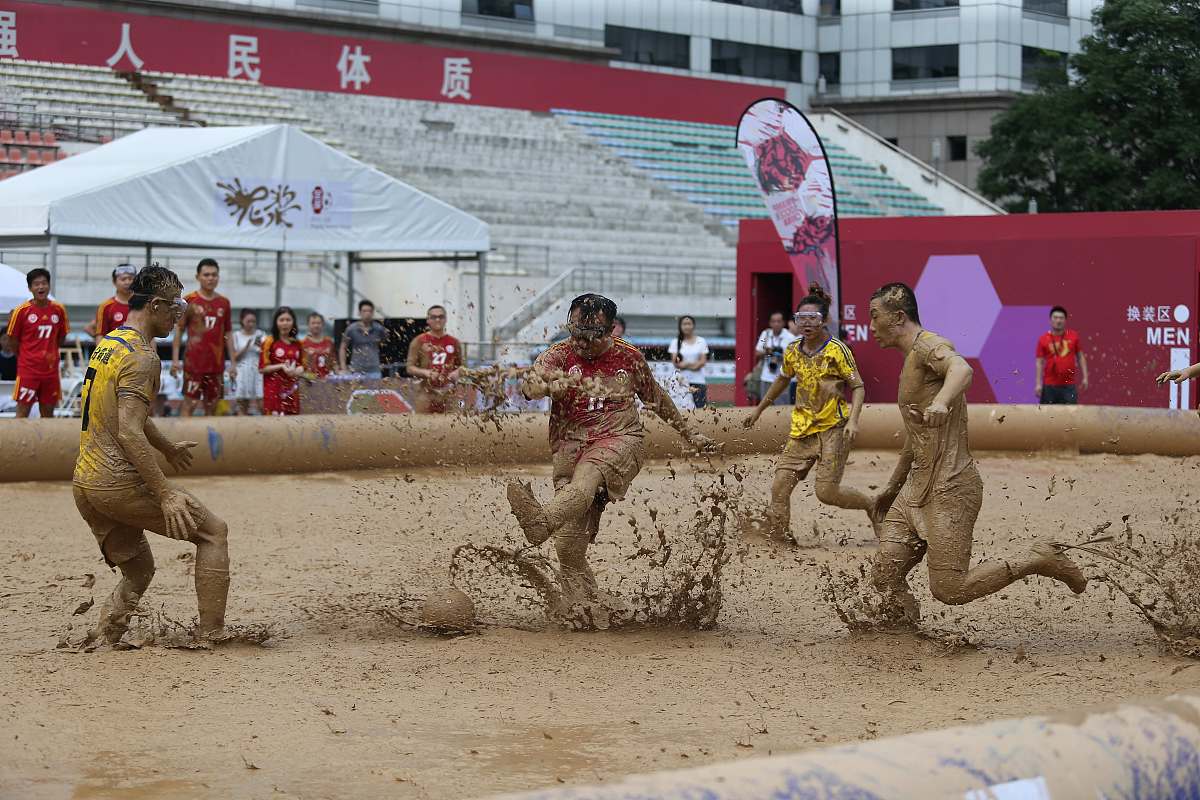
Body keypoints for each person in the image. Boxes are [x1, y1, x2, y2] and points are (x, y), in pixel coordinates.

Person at [867, 282, 1086, 624]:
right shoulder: (910, 360)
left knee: (950, 589)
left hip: (951, 488)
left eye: (874, 316)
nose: (870, 325)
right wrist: (891, 486)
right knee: (884, 574)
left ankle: (1038, 558)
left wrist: (941, 401)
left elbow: (962, 369)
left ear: (897, 317)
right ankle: (901, 633)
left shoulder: (928, 346)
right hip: (914, 489)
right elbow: (916, 436)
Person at [505, 294, 714, 612]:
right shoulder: (559, 355)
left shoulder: (628, 358)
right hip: (569, 447)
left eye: (591, 337)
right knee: (568, 547)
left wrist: (689, 433)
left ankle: (540, 523)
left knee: (586, 480)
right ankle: (590, 608)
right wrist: (547, 386)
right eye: (577, 334)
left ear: (609, 330)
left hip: (620, 439)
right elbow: (530, 387)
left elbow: (655, 398)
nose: (583, 344)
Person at [72, 265, 229, 648]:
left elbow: (125, 417)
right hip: (116, 482)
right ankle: (210, 635)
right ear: (156, 305)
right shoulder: (143, 357)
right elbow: (127, 429)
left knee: (140, 569)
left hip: (84, 484)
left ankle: (105, 635)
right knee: (213, 533)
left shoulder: (110, 342)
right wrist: (165, 493)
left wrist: (166, 447)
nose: (180, 315)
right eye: (175, 308)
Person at [743, 285, 876, 540]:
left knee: (826, 493)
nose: (806, 324)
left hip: (833, 429)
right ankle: (782, 538)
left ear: (824, 320)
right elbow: (782, 380)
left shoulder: (837, 350)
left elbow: (858, 386)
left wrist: (853, 421)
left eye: (812, 319)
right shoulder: (793, 350)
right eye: (801, 318)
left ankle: (871, 505)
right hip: (802, 430)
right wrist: (758, 411)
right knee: (779, 487)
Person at [171, 258, 236, 417]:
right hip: (194, 365)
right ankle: (183, 440)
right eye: (206, 274)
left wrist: (233, 363)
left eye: (214, 275)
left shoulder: (224, 303)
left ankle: (209, 442)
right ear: (198, 277)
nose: (210, 278)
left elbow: (228, 333)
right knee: (189, 404)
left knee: (212, 407)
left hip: (216, 366)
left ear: (218, 277)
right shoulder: (189, 300)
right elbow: (178, 331)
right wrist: (175, 361)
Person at [6, 268, 69, 418]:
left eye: (44, 283)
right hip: (28, 370)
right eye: (36, 284)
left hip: (51, 371)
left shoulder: (59, 309)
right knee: (22, 412)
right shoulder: (21, 311)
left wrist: (51, 352)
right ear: (30, 288)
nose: (41, 287)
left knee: (48, 413)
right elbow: (12, 340)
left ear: (49, 285)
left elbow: (62, 337)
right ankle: (17, 441)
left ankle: (47, 442)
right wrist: (26, 356)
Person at [405, 304, 464, 414]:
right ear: (428, 320)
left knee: (452, 426)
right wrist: (426, 372)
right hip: (425, 392)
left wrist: (457, 372)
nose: (437, 320)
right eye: (433, 317)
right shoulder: (419, 341)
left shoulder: (454, 342)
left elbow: (462, 366)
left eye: (441, 317)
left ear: (445, 319)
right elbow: (409, 368)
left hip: (449, 392)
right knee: (422, 427)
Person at [1035, 306, 1088, 405]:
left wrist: (1085, 377)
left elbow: (1081, 357)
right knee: (1047, 417)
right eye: (1055, 317)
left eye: (1061, 318)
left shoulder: (1073, 336)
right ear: (1050, 320)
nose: (1058, 320)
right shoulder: (1043, 339)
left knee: (1070, 418)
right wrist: (1038, 384)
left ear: (1065, 320)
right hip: (1049, 386)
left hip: (1069, 386)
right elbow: (1039, 362)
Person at [260, 306, 304, 416]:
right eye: (281, 320)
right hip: (273, 393)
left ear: (293, 322)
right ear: (276, 323)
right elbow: (262, 368)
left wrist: (296, 371)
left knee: (292, 427)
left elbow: (302, 366)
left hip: (292, 393)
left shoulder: (298, 344)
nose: (285, 323)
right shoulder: (269, 342)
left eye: (288, 320)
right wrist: (281, 366)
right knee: (274, 427)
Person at [83, 263, 136, 339]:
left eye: (130, 279)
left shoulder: (143, 305)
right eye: (123, 279)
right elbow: (99, 335)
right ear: (114, 282)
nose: (127, 282)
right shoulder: (106, 307)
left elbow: (150, 337)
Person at [668, 315, 710, 409]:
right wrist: (692, 365)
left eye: (689, 324)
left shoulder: (701, 341)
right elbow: (676, 363)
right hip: (681, 382)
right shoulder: (675, 342)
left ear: (693, 326)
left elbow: (702, 362)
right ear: (680, 326)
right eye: (684, 324)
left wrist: (686, 364)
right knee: (681, 410)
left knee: (701, 409)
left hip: (698, 381)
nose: (687, 326)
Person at [755, 311, 796, 406]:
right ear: (770, 323)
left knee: (782, 408)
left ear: (783, 323)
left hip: (783, 379)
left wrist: (781, 356)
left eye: (779, 321)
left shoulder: (790, 338)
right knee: (764, 408)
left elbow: (794, 358)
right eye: (773, 321)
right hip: (766, 378)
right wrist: (768, 352)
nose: (776, 324)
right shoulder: (765, 334)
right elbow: (757, 353)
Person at [338, 299, 386, 379]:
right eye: (364, 311)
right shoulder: (351, 329)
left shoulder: (379, 329)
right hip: (356, 370)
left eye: (369, 311)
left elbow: (384, 342)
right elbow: (343, 347)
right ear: (359, 313)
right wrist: (343, 367)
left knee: (375, 391)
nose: (367, 313)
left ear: (373, 313)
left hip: (374, 370)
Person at [231, 309, 264, 416]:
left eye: (253, 321)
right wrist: (247, 346)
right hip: (242, 370)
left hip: (257, 370)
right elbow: (234, 356)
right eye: (248, 321)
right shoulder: (236, 335)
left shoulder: (261, 334)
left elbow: (267, 353)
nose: (251, 324)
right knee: (242, 402)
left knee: (261, 401)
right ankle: (241, 428)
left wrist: (261, 347)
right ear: (242, 321)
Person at [302, 312, 334, 380]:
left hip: (326, 380)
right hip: (309, 381)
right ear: (308, 325)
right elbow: (301, 366)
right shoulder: (303, 343)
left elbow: (334, 363)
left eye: (318, 323)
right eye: (313, 323)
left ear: (323, 325)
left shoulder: (329, 342)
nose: (316, 325)